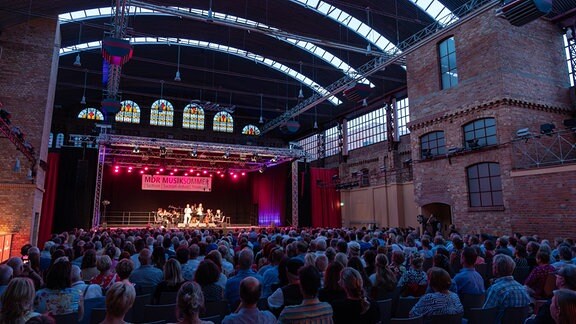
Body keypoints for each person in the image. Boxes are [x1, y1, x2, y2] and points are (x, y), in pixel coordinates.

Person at [483, 254, 530, 323]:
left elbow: (486, 315)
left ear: (496, 268)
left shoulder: (496, 289)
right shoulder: (523, 289)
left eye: (493, 265)